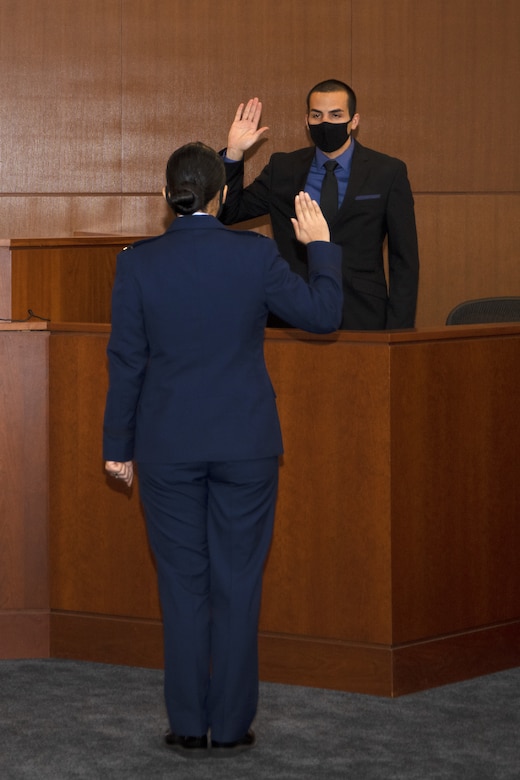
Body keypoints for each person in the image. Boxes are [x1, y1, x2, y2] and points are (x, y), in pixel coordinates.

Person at [102, 142, 342, 757]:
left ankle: (188, 725)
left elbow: (127, 362)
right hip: (246, 445)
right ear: (221, 197)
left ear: (166, 197)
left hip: (166, 446)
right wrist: (320, 246)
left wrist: (116, 446)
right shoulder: (255, 254)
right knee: (237, 584)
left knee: (183, 587)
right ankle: (231, 729)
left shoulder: (138, 262)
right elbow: (323, 315)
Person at [220, 79, 419, 330]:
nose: (326, 123)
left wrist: (398, 332)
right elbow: (229, 212)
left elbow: (405, 261)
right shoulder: (283, 169)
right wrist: (234, 154)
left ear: (354, 121)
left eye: (336, 115)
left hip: (363, 316)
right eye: (317, 115)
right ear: (307, 121)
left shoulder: (387, 172)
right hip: (290, 315)